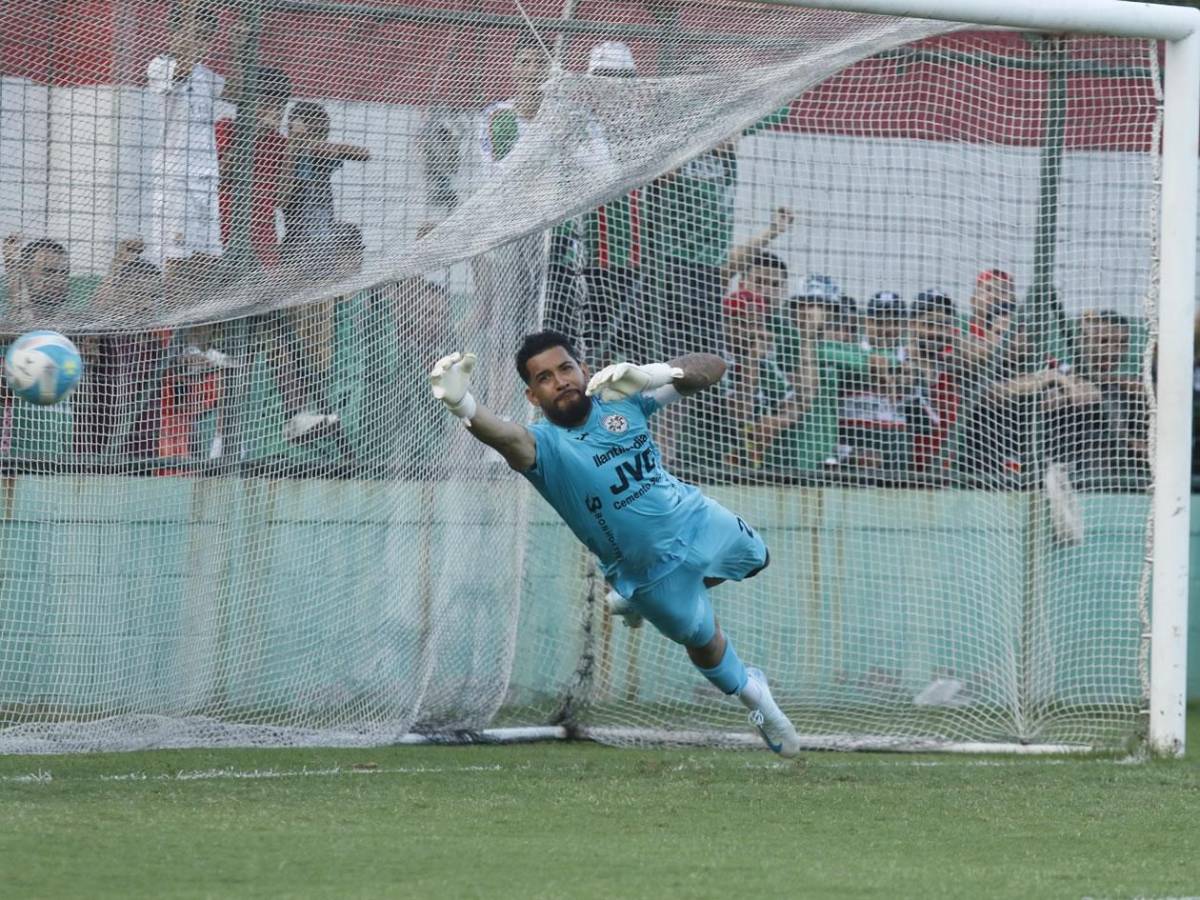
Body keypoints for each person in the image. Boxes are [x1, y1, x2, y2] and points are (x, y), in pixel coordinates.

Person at [429, 331, 801, 757]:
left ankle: (639, 605)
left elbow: (713, 368)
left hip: (697, 520)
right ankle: (756, 697)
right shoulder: (542, 448)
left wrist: (653, 374)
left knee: (759, 559)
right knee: (706, 644)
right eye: (545, 378)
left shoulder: (624, 399)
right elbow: (502, 435)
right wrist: (463, 404)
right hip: (647, 573)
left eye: (566, 368)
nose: (561, 380)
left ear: (583, 370)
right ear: (533, 397)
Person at [144, 1, 225, 272]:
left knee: (206, 258)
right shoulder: (160, 66)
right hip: (175, 178)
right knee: (175, 258)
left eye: (205, 37)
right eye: (193, 33)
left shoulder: (205, 75)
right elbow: (181, 71)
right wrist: (189, 10)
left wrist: (237, 44)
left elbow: (236, 89)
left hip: (206, 178)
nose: (198, 43)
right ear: (173, 32)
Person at [280, 101, 371, 255]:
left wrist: (314, 145)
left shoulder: (323, 155)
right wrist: (295, 143)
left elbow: (363, 154)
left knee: (351, 234)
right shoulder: (287, 154)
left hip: (325, 234)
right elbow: (282, 198)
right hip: (298, 237)